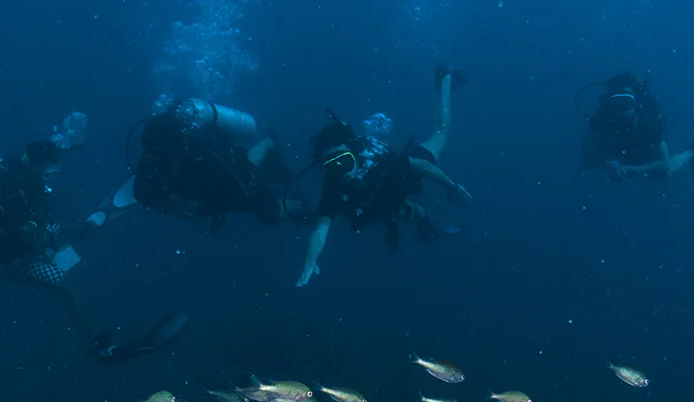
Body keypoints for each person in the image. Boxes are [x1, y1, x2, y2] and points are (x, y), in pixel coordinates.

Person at [0, 114, 187, 363]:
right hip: (10, 257)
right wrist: (59, 235)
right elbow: (32, 238)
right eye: (52, 171)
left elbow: (39, 223)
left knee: (71, 267)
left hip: (22, 240)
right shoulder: (14, 194)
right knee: (66, 284)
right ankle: (101, 345)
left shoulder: (24, 179)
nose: (55, 176)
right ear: (40, 167)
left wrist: (74, 228)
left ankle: (92, 316)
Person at [296, 65, 472, 287]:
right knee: (401, 206)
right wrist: (310, 260)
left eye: (345, 161)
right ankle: (420, 220)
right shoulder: (333, 188)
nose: (342, 172)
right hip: (390, 191)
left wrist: (450, 186)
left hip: (406, 169)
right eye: (333, 167)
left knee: (442, 133)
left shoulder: (377, 160)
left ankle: (445, 79)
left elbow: (422, 166)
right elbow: (321, 230)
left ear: (355, 156)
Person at [91, 98, 300, 229]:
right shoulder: (239, 183)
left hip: (216, 172)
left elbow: (249, 163)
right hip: (216, 176)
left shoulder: (217, 166)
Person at [582, 72, 694, 186]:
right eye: (617, 102)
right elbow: (588, 143)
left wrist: (634, 170)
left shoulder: (649, 123)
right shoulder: (604, 117)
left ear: (637, 102)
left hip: (645, 149)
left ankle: (689, 154)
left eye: (627, 101)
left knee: (663, 175)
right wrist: (607, 165)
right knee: (588, 162)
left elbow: (664, 164)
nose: (622, 110)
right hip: (621, 146)